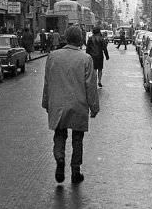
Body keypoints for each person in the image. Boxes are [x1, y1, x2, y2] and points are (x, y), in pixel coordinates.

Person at [42, 25, 99, 185]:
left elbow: (47, 82)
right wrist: (94, 107)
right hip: (78, 105)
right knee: (77, 139)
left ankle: (60, 159)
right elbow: (90, 86)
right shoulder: (86, 59)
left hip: (58, 104)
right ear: (80, 40)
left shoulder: (53, 56)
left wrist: (46, 102)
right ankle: (75, 171)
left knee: (59, 135)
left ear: (66, 38)